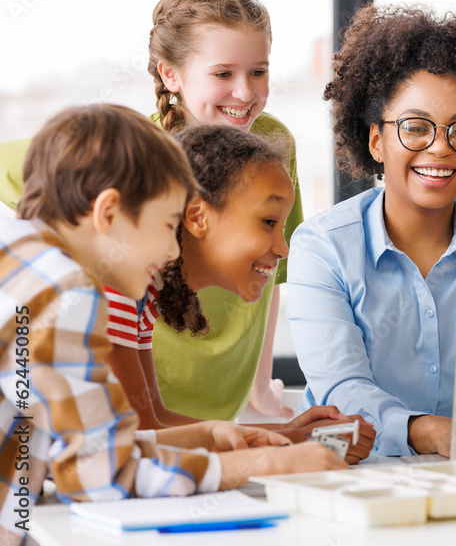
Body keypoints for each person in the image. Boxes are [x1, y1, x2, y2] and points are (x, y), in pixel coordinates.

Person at [0, 104, 344, 543]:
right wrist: (255, 465)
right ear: (108, 214)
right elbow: (97, 477)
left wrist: (208, 435)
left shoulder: (21, 262)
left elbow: (85, 448)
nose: (169, 250)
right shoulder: (64, 291)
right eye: (166, 224)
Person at [0, 0, 304, 421]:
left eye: (258, 71)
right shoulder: (131, 154)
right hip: (141, 390)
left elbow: (274, 269)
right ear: (170, 74)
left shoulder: (275, 143)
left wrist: (259, 385)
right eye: (223, 74)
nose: (245, 92)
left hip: (223, 396)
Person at [288, 4, 456, 457]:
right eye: (415, 127)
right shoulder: (323, 247)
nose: (440, 148)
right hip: (353, 477)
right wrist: (424, 431)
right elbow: (342, 387)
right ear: (376, 140)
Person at [103, 124, 375, 459]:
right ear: (197, 216)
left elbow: (158, 421)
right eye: (269, 222)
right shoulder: (116, 288)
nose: (282, 249)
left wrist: (292, 434)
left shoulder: (143, 296)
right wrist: (284, 447)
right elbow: (142, 435)